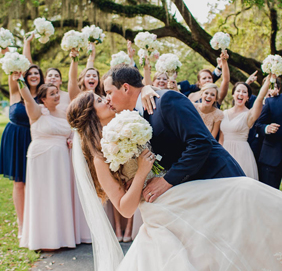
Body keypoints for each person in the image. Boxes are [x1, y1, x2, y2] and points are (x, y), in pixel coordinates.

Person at [67, 89, 282, 271]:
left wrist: (149, 89)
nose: (105, 99)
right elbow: (125, 209)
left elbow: (141, 97)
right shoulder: (99, 159)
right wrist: (142, 172)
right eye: (98, 100)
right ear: (90, 115)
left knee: (241, 196)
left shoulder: (127, 121)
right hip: (159, 206)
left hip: (175, 190)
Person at [103, 64, 244, 202]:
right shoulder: (136, 117)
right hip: (195, 190)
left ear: (126, 88)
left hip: (219, 180)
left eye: (109, 92)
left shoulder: (166, 100)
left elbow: (200, 143)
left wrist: (166, 181)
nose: (107, 99)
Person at [12, 74, 90, 250]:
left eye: (57, 92)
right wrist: (20, 81)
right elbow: (26, 96)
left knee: (60, 195)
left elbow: (73, 132)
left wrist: (72, 140)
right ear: (43, 99)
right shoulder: (37, 111)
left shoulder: (64, 113)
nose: (56, 95)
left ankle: (62, 237)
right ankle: (44, 240)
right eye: (52, 94)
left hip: (62, 160)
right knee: (44, 196)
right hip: (42, 159)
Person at [0, 61, 44, 238]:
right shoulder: (15, 92)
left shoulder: (43, 97)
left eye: (37, 73)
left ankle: (36, 222)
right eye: (30, 73)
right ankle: (21, 224)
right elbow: (19, 64)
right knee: (19, 183)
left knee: (34, 183)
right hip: (15, 138)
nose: (33, 76)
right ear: (25, 76)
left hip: (35, 138)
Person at [219, 76, 271, 179]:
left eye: (244, 92)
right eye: (238, 91)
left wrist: (270, 77)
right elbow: (221, 139)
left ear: (248, 97)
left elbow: (260, 97)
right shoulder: (223, 114)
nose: (241, 94)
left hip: (241, 154)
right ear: (233, 94)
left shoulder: (249, 115)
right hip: (224, 153)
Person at [256, 78, 282, 189]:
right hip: (271, 158)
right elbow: (258, 125)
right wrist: (267, 128)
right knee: (267, 195)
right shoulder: (271, 102)